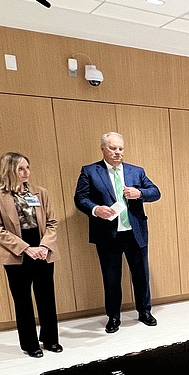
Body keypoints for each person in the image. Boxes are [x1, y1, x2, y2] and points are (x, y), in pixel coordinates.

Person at [74, 132, 161, 333]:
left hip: (135, 232)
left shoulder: (136, 171)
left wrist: (140, 193)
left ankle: (144, 311)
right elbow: (80, 199)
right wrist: (96, 210)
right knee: (111, 277)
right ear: (103, 148)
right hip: (107, 233)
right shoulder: (90, 171)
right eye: (113, 148)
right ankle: (113, 317)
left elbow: (155, 192)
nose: (117, 152)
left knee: (141, 275)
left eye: (120, 148)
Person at [0, 152, 62, 358]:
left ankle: (50, 339)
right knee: (22, 300)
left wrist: (44, 246)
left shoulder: (40, 192)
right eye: (20, 169)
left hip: (42, 251)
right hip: (16, 254)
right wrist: (26, 248)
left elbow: (52, 223)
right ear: (8, 170)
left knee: (46, 296)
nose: (26, 172)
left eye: (27, 167)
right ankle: (30, 344)